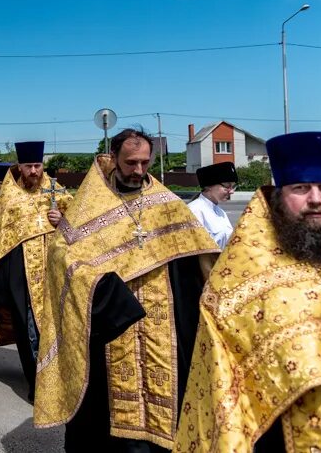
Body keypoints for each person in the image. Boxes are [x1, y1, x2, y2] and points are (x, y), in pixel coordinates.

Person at [33, 129, 219, 451]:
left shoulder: (166, 203)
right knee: (109, 415)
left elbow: (196, 256)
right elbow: (61, 254)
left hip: (161, 325)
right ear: (113, 159)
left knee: (168, 397)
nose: (138, 170)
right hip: (112, 322)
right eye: (130, 162)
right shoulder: (90, 204)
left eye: (145, 162)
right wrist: (98, 286)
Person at [175, 131, 321, 453]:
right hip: (276, 436)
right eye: (301, 188)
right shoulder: (236, 281)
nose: (316, 198)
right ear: (278, 196)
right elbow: (223, 395)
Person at [0, 145, 74, 401]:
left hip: (52, 269)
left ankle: (57, 376)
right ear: (19, 166)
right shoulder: (10, 193)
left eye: (38, 166)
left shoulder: (55, 189)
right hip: (19, 271)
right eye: (29, 166)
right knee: (27, 326)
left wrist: (62, 220)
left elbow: (78, 222)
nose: (34, 171)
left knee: (53, 324)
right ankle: (36, 380)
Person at [187, 161, 238, 250]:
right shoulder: (194, 210)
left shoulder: (221, 212)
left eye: (233, 186)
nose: (232, 191)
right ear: (209, 186)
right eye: (227, 186)